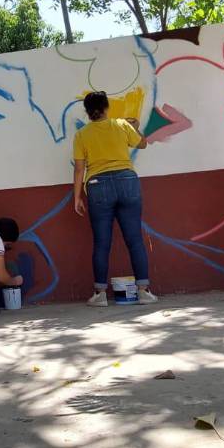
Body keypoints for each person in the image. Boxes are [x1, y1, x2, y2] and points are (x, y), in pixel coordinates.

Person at [73, 91, 158, 307]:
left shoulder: (82, 135)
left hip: (97, 186)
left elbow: (80, 169)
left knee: (102, 243)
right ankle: (144, 292)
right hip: (127, 181)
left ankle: (100, 295)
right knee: (135, 240)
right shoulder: (121, 124)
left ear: (87, 111)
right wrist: (135, 125)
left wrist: (77, 197)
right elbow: (143, 144)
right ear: (106, 107)